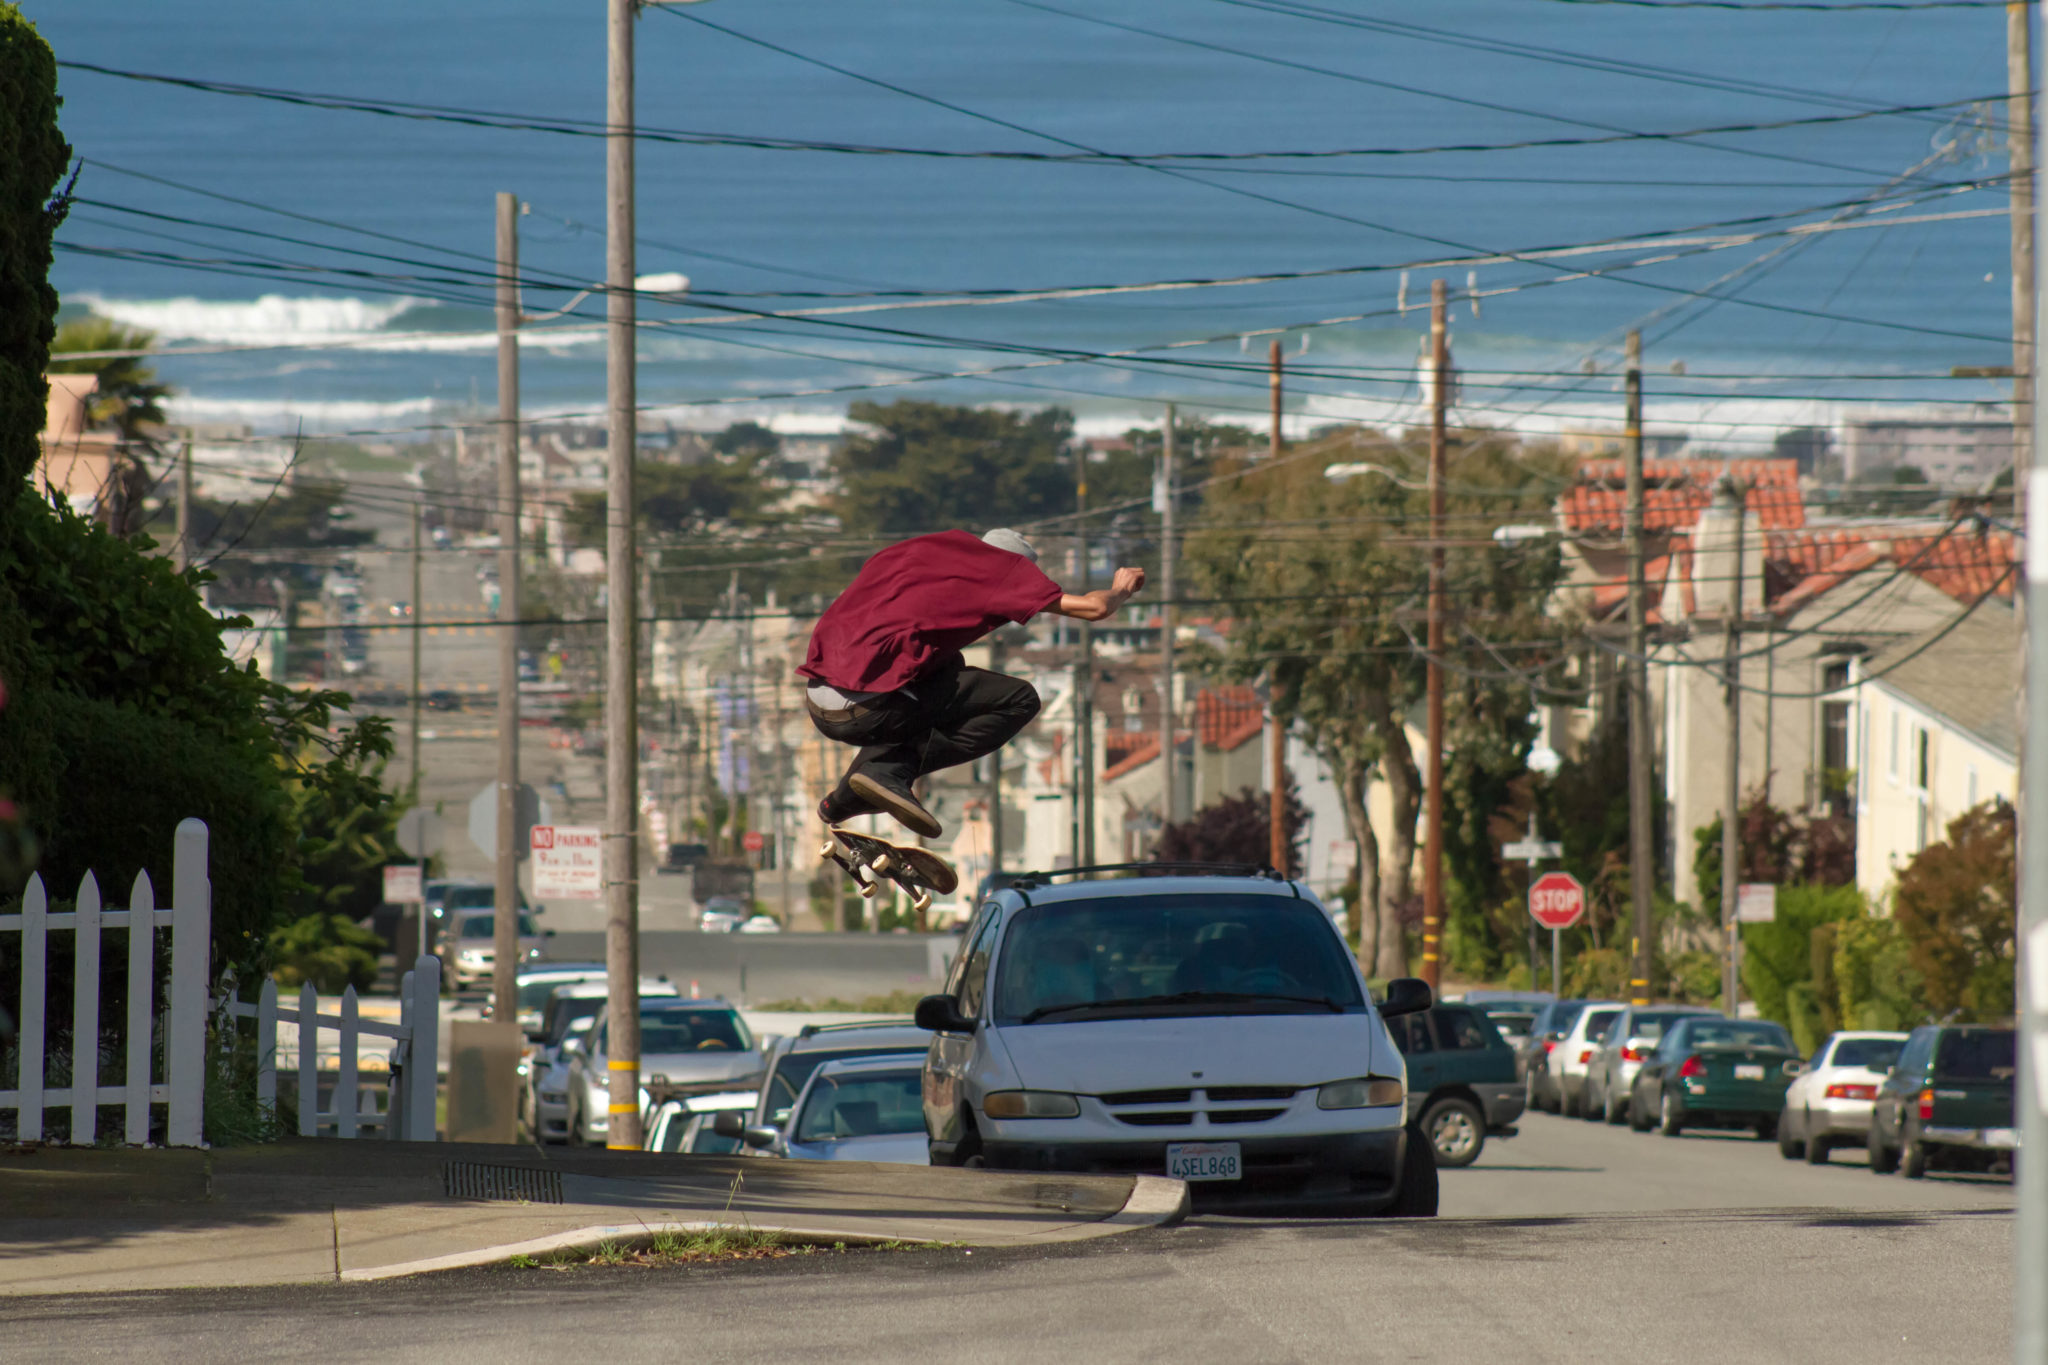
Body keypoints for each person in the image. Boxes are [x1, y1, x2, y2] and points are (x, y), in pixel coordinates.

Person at [800, 527, 1144, 838]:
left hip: (820, 697)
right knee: (1019, 699)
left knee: (945, 668)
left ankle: (841, 802)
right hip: (870, 707)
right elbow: (1094, 608)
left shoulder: (921, 554)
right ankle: (892, 770)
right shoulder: (1004, 572)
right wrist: (1120, 589)